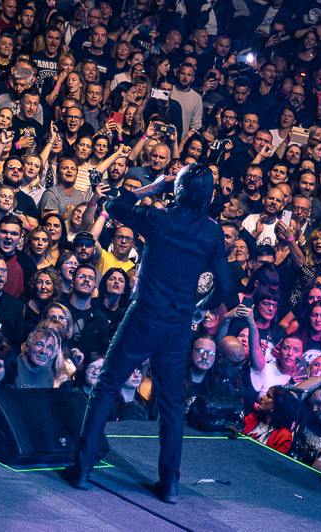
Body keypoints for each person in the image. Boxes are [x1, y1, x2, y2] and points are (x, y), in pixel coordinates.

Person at [63, 164, 232, 504]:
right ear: (210, 195)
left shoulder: (159, 218)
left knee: (106, 387)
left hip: (143, 317)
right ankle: (169, 484)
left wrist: (152, 188)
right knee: (171, 407)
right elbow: (226, 286)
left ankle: (81, 470)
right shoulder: (212, 232)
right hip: (176, 326)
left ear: (178, 189)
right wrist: (200, 306)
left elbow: (112, 204)